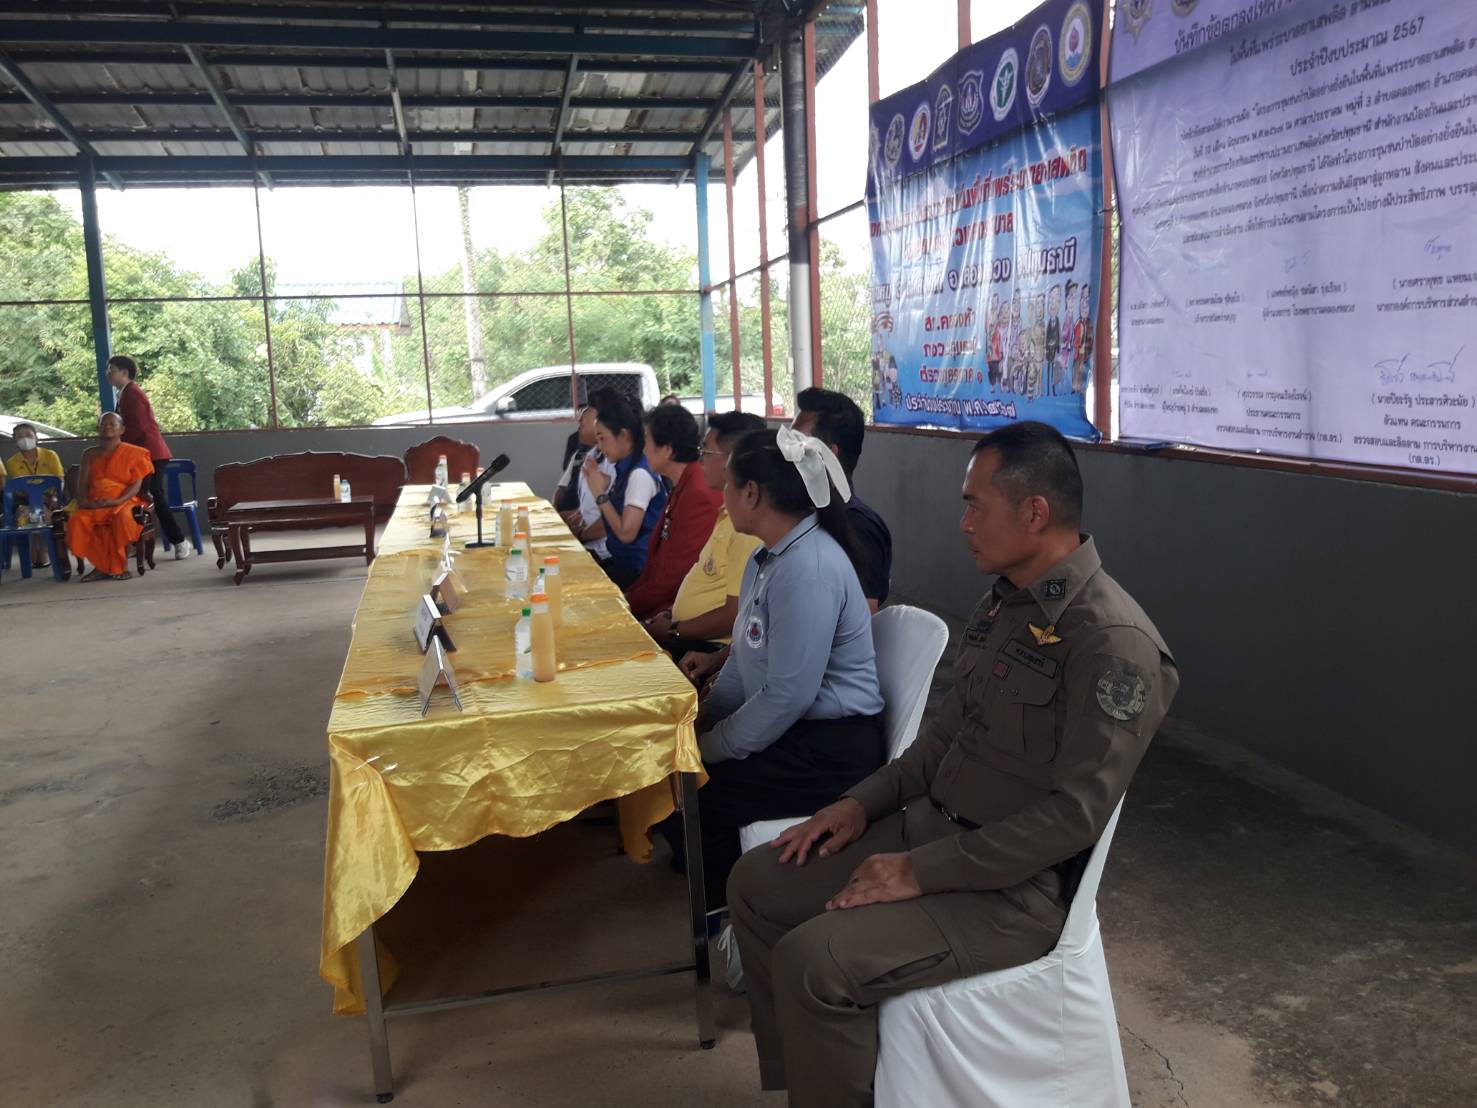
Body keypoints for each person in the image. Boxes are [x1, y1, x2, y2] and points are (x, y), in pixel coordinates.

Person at [725, 422, 1179, 1107]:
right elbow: (937, 746)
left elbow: (1072, 818)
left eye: (974, 505)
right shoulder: (1003, 602)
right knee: (759, 882)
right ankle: (818, 1082)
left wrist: (917, 873)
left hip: (1009, 892)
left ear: (1034, 512)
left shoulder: (1112, 642)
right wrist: (855, 806)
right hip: (927, 831)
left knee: (814, 961)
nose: (963, 523)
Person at [683, 426, 885, 911]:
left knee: (697, 789)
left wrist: (713, 746)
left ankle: (732, 916)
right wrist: (707, 717)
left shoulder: (807, 567)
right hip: (795, 730)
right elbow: (743, 656)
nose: (723, 497)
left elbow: (788, 695)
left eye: (730, 486)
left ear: (751, 493)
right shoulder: (767, 558)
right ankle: (725, 894)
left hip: (830, 750)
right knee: (687, 773)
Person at [642, 411, 765, 660]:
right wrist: (673, 614)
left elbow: (734, 612)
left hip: (707, 647)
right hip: (685, 632)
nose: (699, 460)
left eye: (706, 452)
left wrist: (674, 630)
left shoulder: (747, 528)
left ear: (733, 460)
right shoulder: (728, 515)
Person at [791, 387, 892, 611]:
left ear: (827, 454)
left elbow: (860, 621)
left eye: (796, 443)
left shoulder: (857, 526)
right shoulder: (803, 514)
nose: (785, 452)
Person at [625, 405, 723, 620]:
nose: (643, 450)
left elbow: (676, 574)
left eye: (647, 441)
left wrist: (626, 604)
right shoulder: (683, 483)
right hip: (659, 599)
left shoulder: (698, 492)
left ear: (667, 450)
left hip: (675, 611)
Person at [106, 355, 191, 559]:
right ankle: (136, 542)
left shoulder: (132, 393)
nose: (108, 374)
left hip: (151, 453)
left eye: (112, 370)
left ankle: (180, 541)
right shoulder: (124, 393)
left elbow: (138, 426)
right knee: (138, 496)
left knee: (154, 495)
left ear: (125, 373)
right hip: (140, 454)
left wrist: (119, 444)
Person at [580, 393, 667, 588]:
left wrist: (600, 494)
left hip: (637, 571)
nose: (600, 447)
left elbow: (627, 534)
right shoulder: (625, 469)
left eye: (602, 438)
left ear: (623, 435)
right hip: (623, 562)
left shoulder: (639, 474)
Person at [64, 412, 156, 582]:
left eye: (113, 424)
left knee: (123, 518)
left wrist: (117, 501)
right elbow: (83, 482)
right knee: (79, 520)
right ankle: (101, 567)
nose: (107, 427)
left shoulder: (135, 453)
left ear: (122, 429)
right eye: (103, 424)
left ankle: (120, 566)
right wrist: (84, 501)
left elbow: (135, 486)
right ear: (97, 428)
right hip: (96, 502)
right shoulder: (89, 454)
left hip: (125, 501)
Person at [6, 422, 66, 568]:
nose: (25, 439)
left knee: (47, 513)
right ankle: (37, 553)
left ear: (36, 437)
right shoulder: (12, 462)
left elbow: (59, 480)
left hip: (52, 498)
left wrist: (54, 498)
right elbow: (20, 489)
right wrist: (39, 499)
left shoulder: (50, 455)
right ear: (14, 440)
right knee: (32, 513)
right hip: (25, 500)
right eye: (19, 436)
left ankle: (42, 552)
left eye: (28, 435)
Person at [554, 404, 598, 513]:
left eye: (582, 424)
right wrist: (554, 508)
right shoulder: (578, 454)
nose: (578, 428)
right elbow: (561, 486)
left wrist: (575, 514)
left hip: (580, 514)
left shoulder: (604, 458)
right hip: (565, 510)